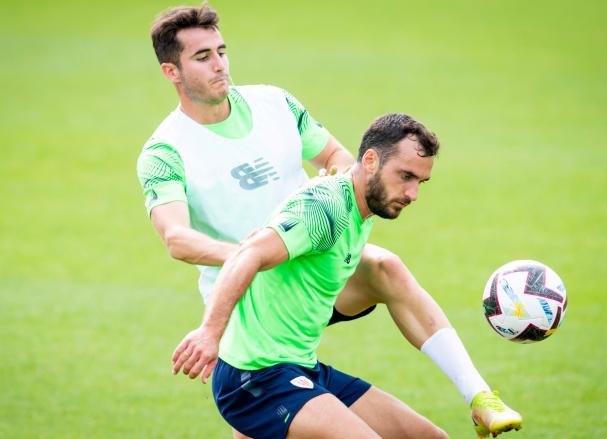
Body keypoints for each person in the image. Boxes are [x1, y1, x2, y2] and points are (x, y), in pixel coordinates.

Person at [138, 4, 522, 438]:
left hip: (312, 269)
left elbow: (343, 161)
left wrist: (315, 218)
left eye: (222, 51)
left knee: (385, 268)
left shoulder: (274, 103)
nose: (220, 64)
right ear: (172, 71)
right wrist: (268, 251)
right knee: (266, 401)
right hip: (250, 300)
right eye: (202, 56)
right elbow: (176, 238)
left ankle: (480, 396)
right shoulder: (165, 151)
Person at [173, 112, 450, 439]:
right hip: (255, 377)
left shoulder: (362, 207)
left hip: (300, 368)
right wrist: (209, 332)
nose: (413, 193)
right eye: (405, 176)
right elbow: (247, 254)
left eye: (420, 182)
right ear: (371, 161)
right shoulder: (324, 208)